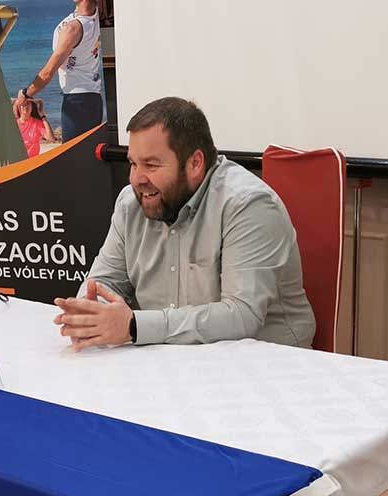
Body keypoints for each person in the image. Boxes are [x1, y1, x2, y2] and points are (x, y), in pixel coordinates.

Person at [53, 97, 316, 351]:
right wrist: (93, 313)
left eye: (151, 164)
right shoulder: (130, 204)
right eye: (133, 164)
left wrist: (135, 326)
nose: (137, 178)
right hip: (170, 358)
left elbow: (241, 315)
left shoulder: (247, 204)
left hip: (266, 364)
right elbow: (102, 282)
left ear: (194, 163)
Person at [15, 0, 102, 142]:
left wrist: (26, 93)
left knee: (73, 158)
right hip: (93, 98)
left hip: (77, 102)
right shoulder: (95, 19)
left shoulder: (73, 29)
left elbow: (47, 73)